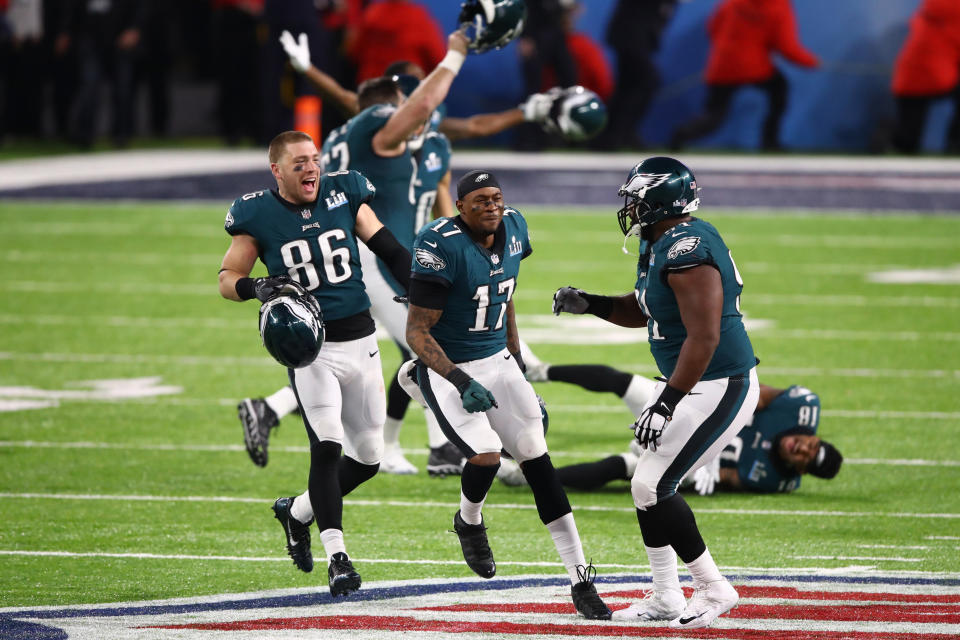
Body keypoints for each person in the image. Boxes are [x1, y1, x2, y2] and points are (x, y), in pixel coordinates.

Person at [239, 32, 557, 476]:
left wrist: (310, 72)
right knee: (428, 343)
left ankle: (287, 413)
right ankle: (446, 445)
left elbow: (404, 118)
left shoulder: (395, 136)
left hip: (362, 255)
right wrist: (456, 53)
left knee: (382, 355)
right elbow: (394, 108)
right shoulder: (382, 127)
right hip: (378, 253)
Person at [553, 156, 758, 628]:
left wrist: (665, 402)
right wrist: (594, 305)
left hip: (719, 382)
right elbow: (650, 308)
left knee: (653, 484)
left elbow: (703, 337)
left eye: (638, 199)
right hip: (696, 382)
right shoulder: (663, 240)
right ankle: (666, 595)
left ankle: (712, 586)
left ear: (662, 202)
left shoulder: (687, 247)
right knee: (645, 485)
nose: (631, 207)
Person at [402, 170, 612, 620]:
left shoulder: (514, 227)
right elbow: (416, 332)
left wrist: (515, 359)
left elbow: (505, 294)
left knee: (538, 459)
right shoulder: (439, 244)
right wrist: (459, 381)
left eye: (496, 197)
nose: (491, 206)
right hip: (446, 366)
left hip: (497, 360)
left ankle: (580, 577)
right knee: (486, 455)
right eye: (479, 200)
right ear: (460, 207)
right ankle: (469, 520)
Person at [217, 130, 413, 596]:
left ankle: (297, 512)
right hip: (311, 349)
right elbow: (228, 278)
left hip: (361, 337)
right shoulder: (256, 213)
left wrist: (423, 292)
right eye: (299, 162)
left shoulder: (346, 191)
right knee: (326, 445)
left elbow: (389, 248)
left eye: (314, 159)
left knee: (367, 458)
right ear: (277, 170)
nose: (310, 168)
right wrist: (257, 289)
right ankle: (339, 558)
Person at [501, 376, 843, 494]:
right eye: (811, 445)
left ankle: (526, 477)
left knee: (628, 469)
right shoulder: (801, 407)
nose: (801, 447)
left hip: (694, 456)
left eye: (804, 457)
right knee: (628, 384)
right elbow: (749, 393)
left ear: (799, 470)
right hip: (702, 414)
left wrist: (701, 464)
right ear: (814, 434)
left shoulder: (774, 479)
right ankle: (540, 370)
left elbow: (725, 477)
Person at [670, 0, 818, 151]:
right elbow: (787, 46)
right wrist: (811, 62)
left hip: (723, 65)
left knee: (714, 113)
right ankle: (770, 142)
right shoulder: (778, 5)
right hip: (756, 67)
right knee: (779, 92)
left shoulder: (732, 2)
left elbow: (713, 27)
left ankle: (682, 134)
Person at [592, 0, 677, 150]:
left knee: (627, 86)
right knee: (647, 80)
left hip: (639, 39)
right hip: (630, 36)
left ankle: (610, 137)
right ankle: (619, 133)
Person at [890, 0, 960, 154]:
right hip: (933, 75)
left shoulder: (930, 13)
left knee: (906, 139)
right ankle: (955, 144)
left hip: (910, 77)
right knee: (907, 137)